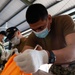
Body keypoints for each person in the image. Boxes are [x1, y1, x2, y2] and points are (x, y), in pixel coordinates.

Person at [14, 3, 75, 75]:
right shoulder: (33, 36)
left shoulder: (64, 21)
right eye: (34, 29)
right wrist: (23, 60)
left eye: (40, 27)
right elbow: (25, 54)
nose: (37, 32)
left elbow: (73, 52)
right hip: (56, 67)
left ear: (49, 18)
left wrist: (44, 56)